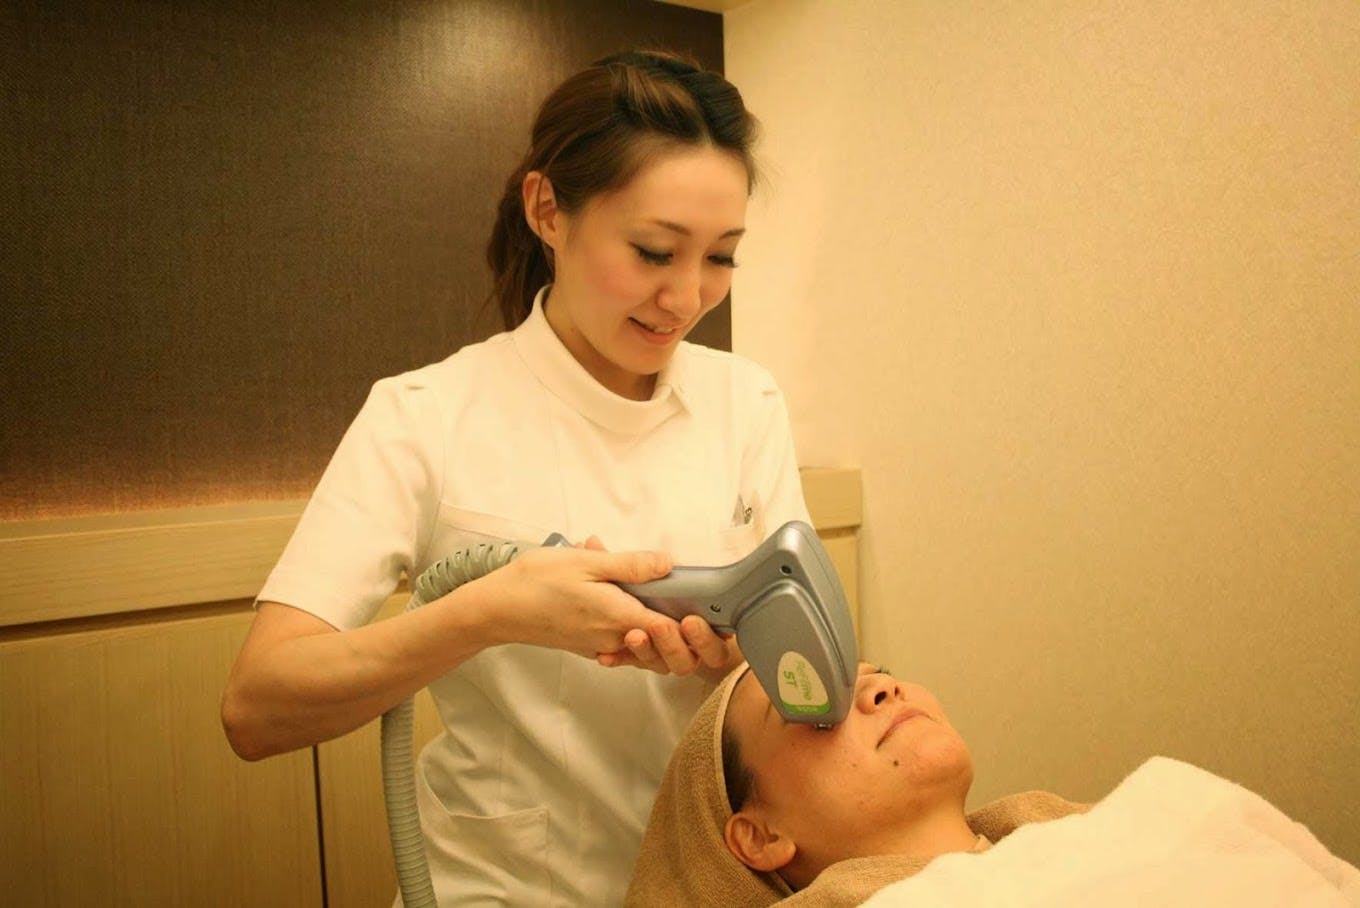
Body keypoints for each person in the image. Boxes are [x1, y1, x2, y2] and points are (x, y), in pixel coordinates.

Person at [221, 49, 810, 906]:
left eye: (722, 258)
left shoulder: (746, 402)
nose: (687, 298)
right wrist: (490, 613)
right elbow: (258, 708)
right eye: (653, 251)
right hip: (500, 889)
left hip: (711, 882)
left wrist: (734, 662)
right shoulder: (424, 414)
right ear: (547, 211)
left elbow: (803, 674)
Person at [627, 664, 1360, 907]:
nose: (880, 688)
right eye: (810, 704)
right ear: (759, 836)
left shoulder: (1132, 826)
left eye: (878, 670)